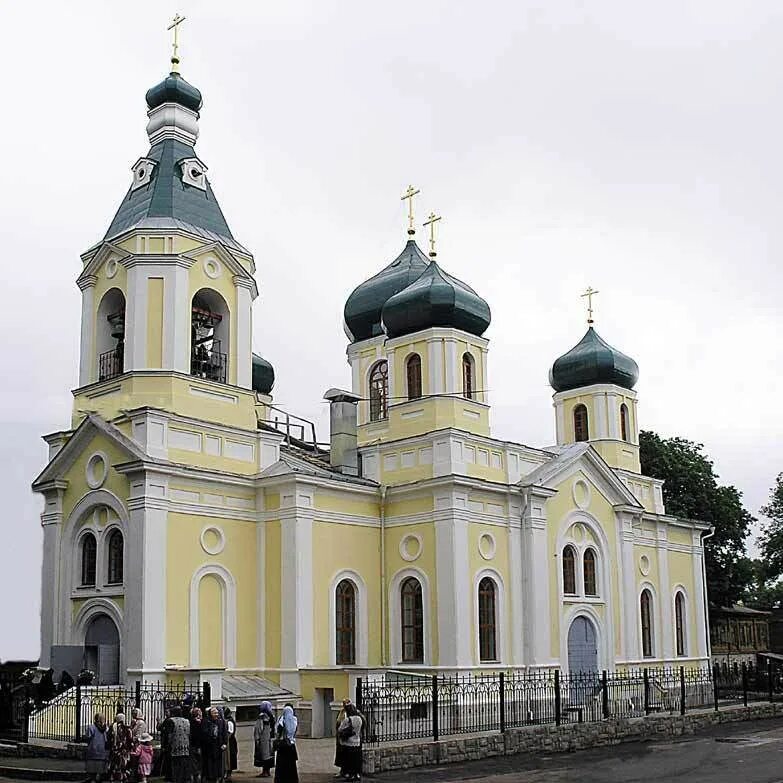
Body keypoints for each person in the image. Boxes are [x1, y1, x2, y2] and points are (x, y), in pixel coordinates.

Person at [162, 706, 191, 783]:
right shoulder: (187, 721)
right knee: (184, 766)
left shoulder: (171, 720)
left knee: (175, 767)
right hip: (186, 747)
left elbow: (169, 735)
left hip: (175, 747)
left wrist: (166, 745)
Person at [337, 703, 363, 781]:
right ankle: (357, 774)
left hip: (348, 743)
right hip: (357, 742)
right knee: (356, 760)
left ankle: (349, 774)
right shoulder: (359, 719)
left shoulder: (347, 720)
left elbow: (340, 729)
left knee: (348, 760)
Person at [201, 706, 227, 783]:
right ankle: (210, 777)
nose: (216, 714)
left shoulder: (221, 721)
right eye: (214, 713)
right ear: (210, 714)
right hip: (209, 747)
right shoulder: (206, 722)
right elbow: (204, 734)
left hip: (219, 746)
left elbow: (224, 733)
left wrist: (225, 743)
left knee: (218, 763)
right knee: (210, 763)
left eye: (217, 713)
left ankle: (218, 777)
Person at [274, 704, 299, 783]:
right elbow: (294, 732)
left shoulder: (281, 721)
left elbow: (278, 733)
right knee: (291, 765)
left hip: (283, 746)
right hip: (291, 746)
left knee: (282, 765)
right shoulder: (294, 720)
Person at [106, 712, 133, 782]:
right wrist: (129, 748)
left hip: (114, 749)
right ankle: (123, 777)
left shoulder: (112, 727)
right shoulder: (127, 728)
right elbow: (130, 739)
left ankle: (112, 777)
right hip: (124, 749)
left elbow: (108, 737)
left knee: (114, 763)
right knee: (123, 764)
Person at [253, 702, 275, 777]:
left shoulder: (262, 716)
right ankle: (268, 771)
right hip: (270, 738)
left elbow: (258, 728)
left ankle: (264, 772)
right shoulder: (272, 716)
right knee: (269, 754)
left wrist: (257, 737)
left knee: (264, 754)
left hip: (263, 738)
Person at [85, 713, 108, 783]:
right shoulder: (105, 728)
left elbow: (88, 737)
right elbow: (107, 739)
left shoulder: (91, 727)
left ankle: (93, 779)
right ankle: (99, 779)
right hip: (102, 751)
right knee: (100, 768)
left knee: (92, 768)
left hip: (92, 750)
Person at [333, 699, 351, 778]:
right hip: (340, 736)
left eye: (345, 703)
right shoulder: (341, 712)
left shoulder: (351, 713)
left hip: (347, 736)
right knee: (340, 754)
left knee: (346, 755)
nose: (344, 705)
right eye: (343, 703)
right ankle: (342, 771)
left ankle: (347, 771)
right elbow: (338, 722)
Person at [189, 706, 204, 783]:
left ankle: (195, 777)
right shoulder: (200, 723)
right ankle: (197, 777)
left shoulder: (191, 722)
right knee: (198, 762)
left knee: (194, 763)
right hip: (197, 745)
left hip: (193, 745)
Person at [224, 707, 238, 779]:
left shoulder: (229, 721)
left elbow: (230, 732)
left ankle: (229, 773)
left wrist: (225, 740)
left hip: (230, 742)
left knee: (230, 757)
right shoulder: (228, 720)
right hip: (230, 741)